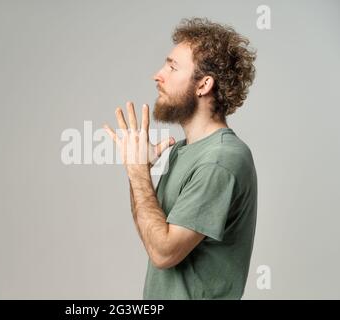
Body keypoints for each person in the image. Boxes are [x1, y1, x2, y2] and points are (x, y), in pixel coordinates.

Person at [103, 17, 257, 299]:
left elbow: (164, 253)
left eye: (172, 67)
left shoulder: (220, 160)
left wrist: (138, 172)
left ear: (204, 85)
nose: (157, 75)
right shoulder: (183, 151)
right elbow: (152, 237)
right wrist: (138, 170)